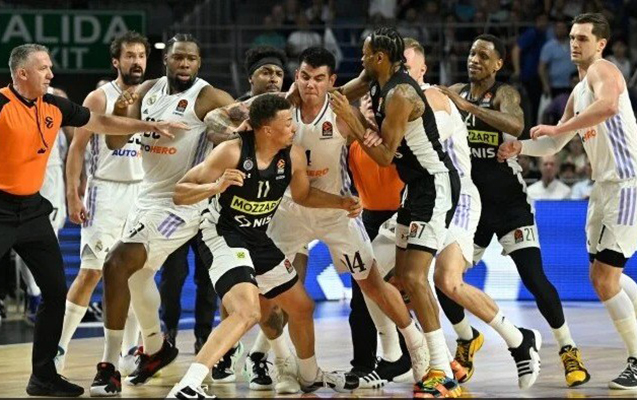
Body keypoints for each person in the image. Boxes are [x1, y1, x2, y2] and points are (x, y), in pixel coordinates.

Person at [206, 46, 430, 394]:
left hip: (335, 210)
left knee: (373, 284)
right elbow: (213, 121)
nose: (311, 85)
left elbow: (384, 152)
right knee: (268, 295)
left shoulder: (342, 112)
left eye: (319, 78)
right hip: (287, 210)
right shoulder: (278, 108)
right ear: (297, 76)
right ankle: (282, 364)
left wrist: (369, 136)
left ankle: (419, 352)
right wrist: (242, 131)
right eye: (305, 77)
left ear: (331, 81)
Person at [0, 43, 182, 397]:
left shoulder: (53, 106)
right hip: (2, 209)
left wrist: (148, 124)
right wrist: (74, 192)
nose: (51, 74)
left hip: (33, 210)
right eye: (43, 68)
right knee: (87, 274)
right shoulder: (3, 105)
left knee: (56, 291)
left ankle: (43, 376)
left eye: (50, 67)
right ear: (22, 73)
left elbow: (101, 122)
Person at [167, 94, 361, 398]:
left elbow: (303, 196)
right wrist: (215, 187)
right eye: (287, 122)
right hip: (222, 233)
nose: (294, 128)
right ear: (267, 129)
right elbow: (180, 192)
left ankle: (310, 375)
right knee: (247, 312)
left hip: (258, 237)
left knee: (302, 306)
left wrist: (341, 202)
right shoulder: (231, 152)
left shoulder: (293, 156)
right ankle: (187, 385)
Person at [438, 33, 590, 388]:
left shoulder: (504, 94)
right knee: (445, 280)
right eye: (471, 53)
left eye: (483, 55)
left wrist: (469, 109)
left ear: (498, 64)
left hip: (510, 205)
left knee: (535, 279)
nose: (474, 59)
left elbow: (516, 125)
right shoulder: (454, 92)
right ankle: (466, 338)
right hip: (470, 209)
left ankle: (568, 349)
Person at [88, 34, 235, 396]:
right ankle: (156, 348)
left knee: (116, 263)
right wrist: (121, 109)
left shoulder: (208, 96)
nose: (185, 64)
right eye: (178, 57)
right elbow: (114, 142)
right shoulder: (147, 91)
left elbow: (242, 123)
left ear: (199, 63)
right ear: (166, 59)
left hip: (183, 205)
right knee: (137, 278)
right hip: (146, 197)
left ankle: (109, 366)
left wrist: (229, 134)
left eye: (191, 59)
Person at [498, 13, 637, 390]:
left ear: (601, 44)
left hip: (626, 184)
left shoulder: (603, 70)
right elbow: (555, 144)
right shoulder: (577, 92)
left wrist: (559, 127)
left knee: (605, 279)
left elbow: (608, 107)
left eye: (583, 38)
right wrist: (519, 147)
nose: (575, 43)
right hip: (604, 188)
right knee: (603, 276)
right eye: (573, 38)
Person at [330, 27, 462, 397]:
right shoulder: (373, 77)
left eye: (365, 53)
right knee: (388, 275)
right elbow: (338, 94)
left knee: (415, 278)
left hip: (434, 185)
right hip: (414, 188)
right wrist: (306, 95)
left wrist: (352, 119)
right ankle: (418, 355)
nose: (360, 58)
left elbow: (386, 155)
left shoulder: (401, 94)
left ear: (380, 57)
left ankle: (440, 370)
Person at [55, 31, 150, 377]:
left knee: (136, 276)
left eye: (141, 55)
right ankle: (58, 348)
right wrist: (72, 194)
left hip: (141, 193)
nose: (136, 61)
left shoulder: (151, 97)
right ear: (116, 61)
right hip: (105, 191)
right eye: (130, 55)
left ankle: (129, 352)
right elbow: (77, 148)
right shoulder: (99, 97)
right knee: (92, 271)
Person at [207, 45, 288, 391]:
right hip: (241, 210)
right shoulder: (241, 110)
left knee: (281, 296)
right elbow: (212, 124)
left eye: (279, 73)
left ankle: (261, 355)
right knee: (236, 289)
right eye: (266, 72)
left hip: (284, 206)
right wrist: (242, 139)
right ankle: (230, 350)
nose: (273, 78)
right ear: (251, 77)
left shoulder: (293, 105)